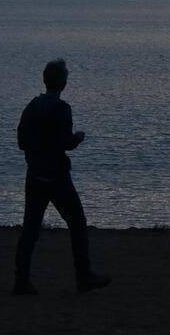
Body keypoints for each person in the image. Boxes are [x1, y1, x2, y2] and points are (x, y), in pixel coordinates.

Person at [13, 58, 111, 295]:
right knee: (77, 222)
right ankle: (83, 275)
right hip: (57, 177)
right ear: (63, 83)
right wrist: (77, 138)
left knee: (30, 229)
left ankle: (21, 280)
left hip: (35, 175)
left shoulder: (32, 106)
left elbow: (21, 141)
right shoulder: (62, 109)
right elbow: (66, 143)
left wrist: (35, 152)